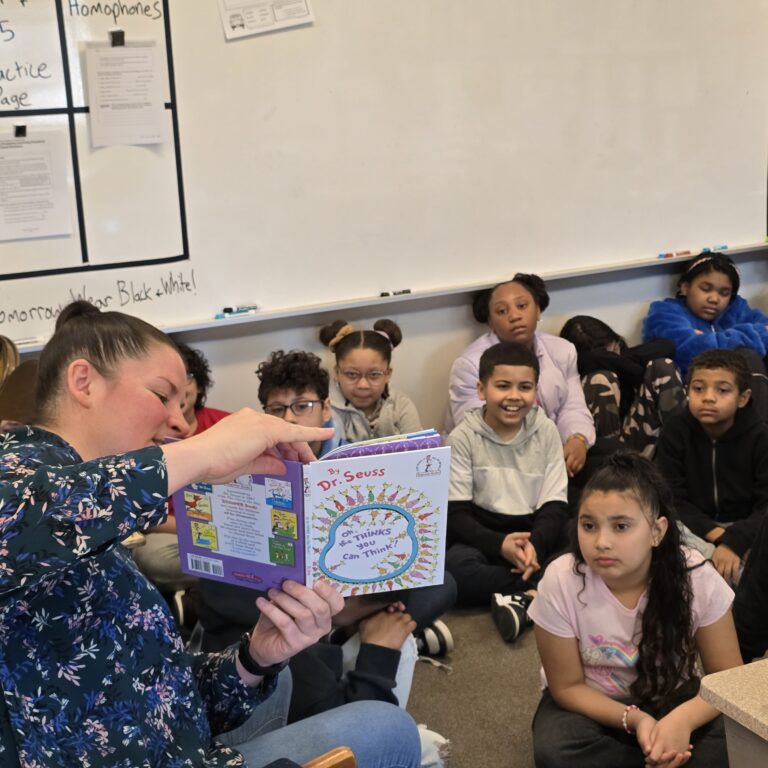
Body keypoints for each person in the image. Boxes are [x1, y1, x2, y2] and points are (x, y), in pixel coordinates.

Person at [0, 300, 421, 768]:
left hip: (178, 742)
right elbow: (26, 515)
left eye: (183, 404)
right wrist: (202, 452)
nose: (181, 422)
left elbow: (154, 688)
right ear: (84, 382)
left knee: (280, 676)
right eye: (163, 396)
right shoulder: (22, 475)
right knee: (391, 730)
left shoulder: (88, 510)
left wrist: (255, 657)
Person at [530, 453, 741, 768]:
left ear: (657, 531)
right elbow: (567, 687)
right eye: (589, 525)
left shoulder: (696, 575)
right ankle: (661, 758)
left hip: (675, 699)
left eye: (621, 526)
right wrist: (636, 720)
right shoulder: (561, 579)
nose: (601, 542)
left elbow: (729, 680)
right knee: (556, 749)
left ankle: (661, 754)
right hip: (595, 706)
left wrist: (683, 720)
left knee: (745, 735)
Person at [445, 341, 569, 642]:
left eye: (525, 387)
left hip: (535, 534)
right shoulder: (462, 437)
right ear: (481, 390)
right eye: (503, 386)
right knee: (454, 572)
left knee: (584, 541)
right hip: (485, 537)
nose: (514, 397)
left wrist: (535, 548)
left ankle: (525, 594)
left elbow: (554, 505)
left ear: (536, 392)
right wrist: (501, 545)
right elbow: (457, 515)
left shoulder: (546, 430)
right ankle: (536, 591)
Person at [447, 273, 595, 478]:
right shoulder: (470, 364)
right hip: (497, 462)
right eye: (502, 311)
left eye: (522, 306)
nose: (514, 316)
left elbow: (572, 406)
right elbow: (477, 429)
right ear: (490, 321)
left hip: (555, 454)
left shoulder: (562, 351)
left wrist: (577, 439)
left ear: (538, 310)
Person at [655, 349, 768, 585]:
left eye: (722, 390)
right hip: (696, 530)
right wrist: (721, 539)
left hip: (748, 527)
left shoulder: (760, 437)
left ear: (743, 397)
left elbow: (765, 505)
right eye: (698, 388)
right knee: (660, 527)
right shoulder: (675, 432)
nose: (708, 397)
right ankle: (724, 574)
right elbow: (672, 498)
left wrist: (737, 540)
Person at [132, 342, 230, 595]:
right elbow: (143, 516)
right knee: (153, 558)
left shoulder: (226, 424)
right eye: (166, 389)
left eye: (187, 378)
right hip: (172, 534)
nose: (181, 392)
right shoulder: (142, 437)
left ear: (199, 384)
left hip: (231, 531)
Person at [642, 253, 768, 416]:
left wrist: (711, 339)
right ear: (685, 287)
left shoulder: (735, 308)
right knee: (747, 355)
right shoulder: (665, 313)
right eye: (705, 289)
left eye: (724, 293)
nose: (714, 299)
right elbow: (690, 353)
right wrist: (749, 334)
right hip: (695, 396)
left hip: (736, 394)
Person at [560, 315, 685, 457]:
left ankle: (684, 450)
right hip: (603, 452)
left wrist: (612, 360)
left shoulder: (624, 356)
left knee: (663, 366)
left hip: (638, 439)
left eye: (614, 349)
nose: (615, 354)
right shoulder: (578, 372)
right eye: (605, 355)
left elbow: (666, 347)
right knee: (601, 378)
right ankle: (614, 469)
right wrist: (605, 361)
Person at [319, 319, 422, 442]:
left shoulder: (401, 405)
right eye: (352, 374)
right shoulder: (325, 410)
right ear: (337, 372)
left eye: (374, 374)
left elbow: (420, 451)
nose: (363, 385)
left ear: (388, 374)